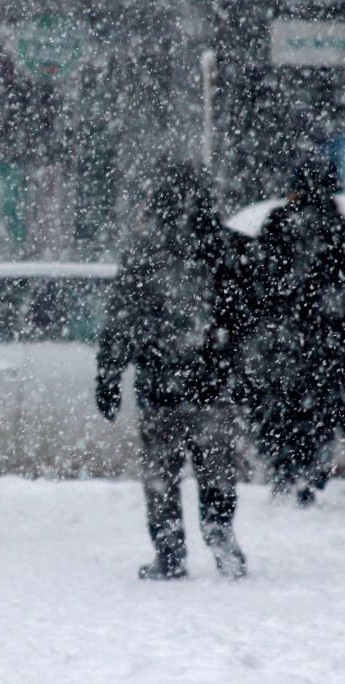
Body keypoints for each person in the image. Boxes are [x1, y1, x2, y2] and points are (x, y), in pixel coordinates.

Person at [96, 162, 246, 581]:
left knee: (161, 477)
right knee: (216, 471)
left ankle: (169, 552)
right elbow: (247, 318)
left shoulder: (144, 253)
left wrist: (108, 376)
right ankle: (220, 533)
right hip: (213, 385)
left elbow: (120, 321)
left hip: (160, 385)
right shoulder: (226, 249)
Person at [247, 156, 345, 506]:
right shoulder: (343, 228)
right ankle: (312, 472)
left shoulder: (277, 224)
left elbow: (258, 279)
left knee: (280, 406)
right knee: (321, 409)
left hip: (284, 337)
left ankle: (284, 469)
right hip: (329, 338)